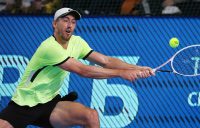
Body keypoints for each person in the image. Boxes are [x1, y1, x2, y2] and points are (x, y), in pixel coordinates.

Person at [0, 7, 154, 128]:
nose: (70, 25)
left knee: (91, 116)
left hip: (49, 103)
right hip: (24, 105)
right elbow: (84, 70)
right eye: (65, 20)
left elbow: (105, 61)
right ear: (55, 23)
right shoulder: (49, 47)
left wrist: (138, 68)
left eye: (73, 22)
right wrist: (121, 73)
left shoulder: (77, 42)